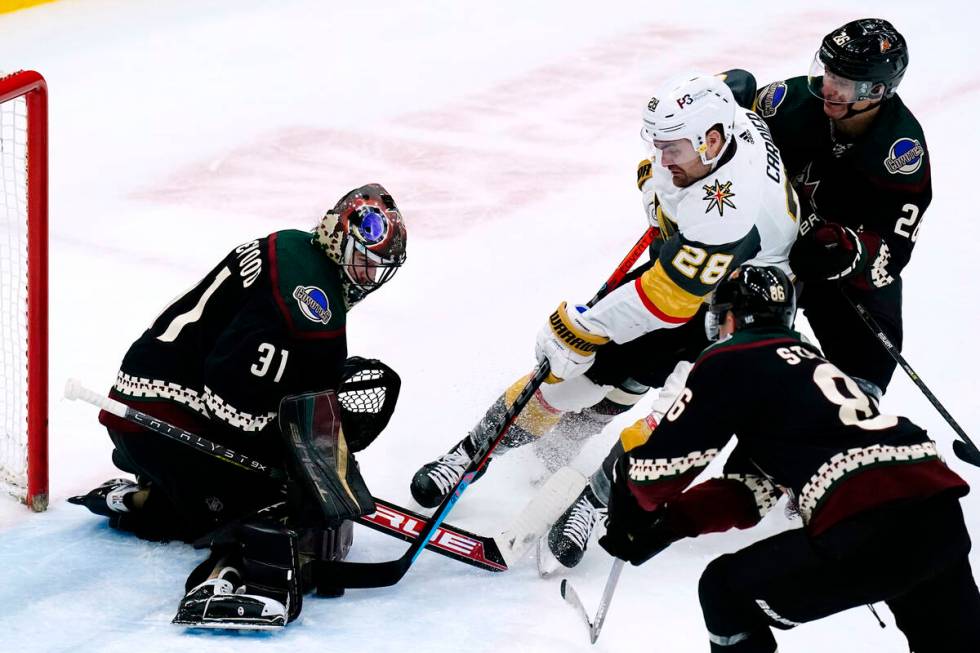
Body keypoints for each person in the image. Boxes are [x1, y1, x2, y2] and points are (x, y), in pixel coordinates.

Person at [410, 73, 799, 571]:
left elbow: (669, 301)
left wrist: (583, 327)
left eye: (671, 149)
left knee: (670, 418)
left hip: (740, 307)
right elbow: (738, 82)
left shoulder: (728, 209)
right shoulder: (721, 123)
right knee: (571, 381)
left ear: (713, 141)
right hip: (690, 266)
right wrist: (660, 191)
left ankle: (595, 502)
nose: (660, 160)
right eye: (656, 147)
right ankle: (470, 454)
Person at [69, 183, 407, 628]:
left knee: (265, 484)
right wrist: (293, 459)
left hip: (141, 409)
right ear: (338, 237)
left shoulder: (296, 248)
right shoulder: (310, 300)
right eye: (363, 263)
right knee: (273, 499)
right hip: (158, 420)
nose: (366, 277)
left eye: (375, 269)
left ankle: (152, 501)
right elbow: (231, 399)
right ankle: (224, 578)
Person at [598, 264, 978, 653]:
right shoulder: (810, 365)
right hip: (936, 513)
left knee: (725, 591)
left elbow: (657, 476)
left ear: (730, 317)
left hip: (868, 523)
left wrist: (630, 491)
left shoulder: (730, 357)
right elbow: (751, 491)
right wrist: (669, 525)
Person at [727, 17, 929, 399]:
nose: (829, 88)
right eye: (828, 72)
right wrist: (720, 109)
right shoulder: (790, 99)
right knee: (686, 320)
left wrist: (850, 250)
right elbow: (731, 139)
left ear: (877, 90)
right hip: (763, 240)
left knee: (865, 373)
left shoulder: (900, 153)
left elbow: (893, 246)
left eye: (845, 83)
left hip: (832, 264)